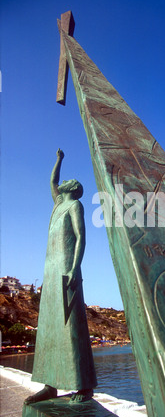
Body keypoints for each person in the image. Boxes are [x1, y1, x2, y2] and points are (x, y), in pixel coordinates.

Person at [25, 149, 97, 404]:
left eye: (68, 181)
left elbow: (80, 237)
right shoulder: (58, 204)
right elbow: (52, 181)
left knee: (70, 323)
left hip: (66, 266)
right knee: (49, 326)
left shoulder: (74, 205)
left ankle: (83, 385)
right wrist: (59, 159)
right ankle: (50, 384)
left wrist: (74, 268)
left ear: (73, 188)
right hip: (50, 268)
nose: (62, 183)